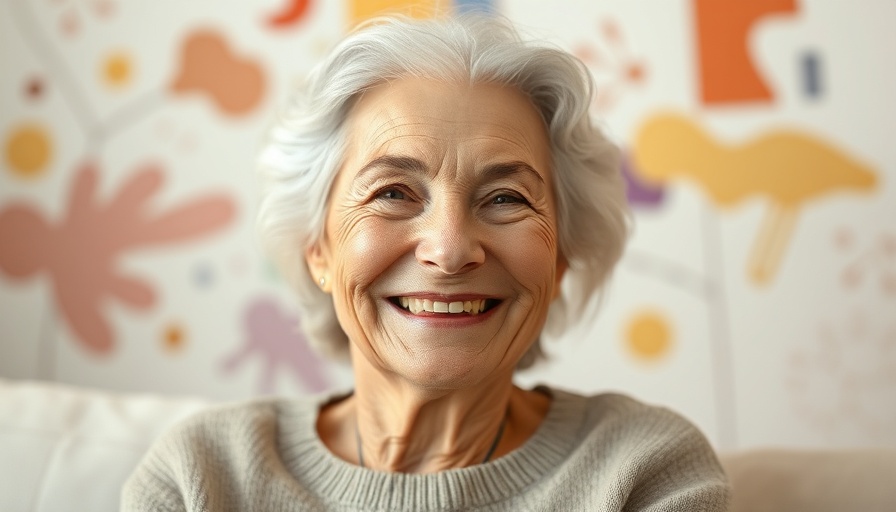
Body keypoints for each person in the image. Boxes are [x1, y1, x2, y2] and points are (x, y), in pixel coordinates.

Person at [123, 14, 729, 511]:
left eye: (505, 199)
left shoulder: (644, 474)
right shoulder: (203, 476)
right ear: (320, 250)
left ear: (561, 259)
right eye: (393, 193)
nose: (449, 247)